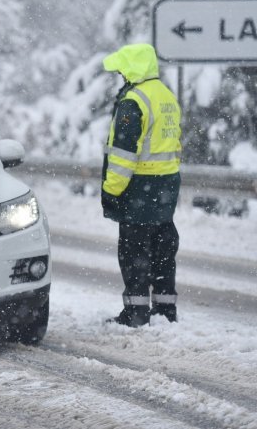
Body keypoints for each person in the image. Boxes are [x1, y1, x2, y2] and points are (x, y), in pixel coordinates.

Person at [101, 43, 182, 327]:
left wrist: (111, 190)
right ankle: (165, 310)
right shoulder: (165, 96)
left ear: (132, 68)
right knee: (163, 250)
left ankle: (136, 313)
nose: (121, 75)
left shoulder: (134, 101)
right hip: (166, 188)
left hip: (139, 190)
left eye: (123, 69)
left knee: (135, 253)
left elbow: (124, 156)